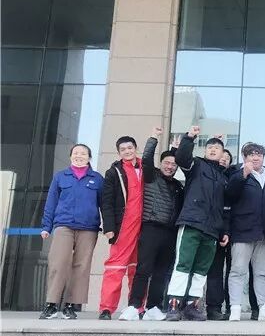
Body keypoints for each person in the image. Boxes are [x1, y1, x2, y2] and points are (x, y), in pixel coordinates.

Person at [165, 126, 229, 321]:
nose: (213, 150)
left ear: (223, 154)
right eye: (210, 147)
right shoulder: (196, 165)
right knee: (183, 265)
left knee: (201, 270)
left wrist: (223, 231)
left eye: (217, 148)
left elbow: (222, 207)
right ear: (205, 150)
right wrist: (190, 137)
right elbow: (182, 157)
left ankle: (193, 306)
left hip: (212, 230)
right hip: (192, 223)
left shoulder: (223, 177)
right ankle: (174, 306)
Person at [119, 129, 184, 321]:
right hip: (151, 227)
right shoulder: (152, 176)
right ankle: (134, 306)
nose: (170, 167)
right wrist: (154, 138)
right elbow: (147, 158)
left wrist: (175, 151)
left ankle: (153, 306)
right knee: (143, 269)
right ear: (161, 164)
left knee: (161, 272)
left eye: (173, 164)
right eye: (166, 163)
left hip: (169, 232)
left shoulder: (177, 186)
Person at [38, 144, 104, 319]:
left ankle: (70, 305)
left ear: (89, 158)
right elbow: (51, 202)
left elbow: (104, 204)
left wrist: (110, 228)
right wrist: (46, 226)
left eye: (83, 153)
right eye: (75, 153)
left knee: (81, 267)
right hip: (64, 225)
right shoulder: (60, 176)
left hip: (88, 228)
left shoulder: (97, 179)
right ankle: (51, 304)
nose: (79, 156)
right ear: (70, 156)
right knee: (58, 263)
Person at [226, 143, 265, 322]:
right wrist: (243, 175)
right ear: (244, 157)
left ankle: (264, 308)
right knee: (238, 270)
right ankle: (235, 308)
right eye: (251, 154)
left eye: (259, 154)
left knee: (263, 272)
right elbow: (229, 195)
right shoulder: (236, 173)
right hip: (242, 231)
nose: (255, 157)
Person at [98, 136, 144, 320]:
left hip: (143, 227)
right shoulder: (113, 172)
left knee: (138, 269)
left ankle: (138, 307)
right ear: (119, 153)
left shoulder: (146, 168)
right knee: (115, 267)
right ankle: (106, 308)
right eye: (123, 149)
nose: (127, 151)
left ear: (135, 148)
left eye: (130, 148)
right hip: (123, 227)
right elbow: (106, 202)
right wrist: (109, 227)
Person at [205, 149, 234, 320]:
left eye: (227, 158)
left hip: (230, 231)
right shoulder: (206, 175)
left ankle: (229, 307)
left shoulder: (232, 179)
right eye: (221, 156)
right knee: (212, 270)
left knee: (229, 271)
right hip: (210, 229)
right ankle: (212, 307)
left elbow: (229, 209)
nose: (223, 159)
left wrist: (227, 231)